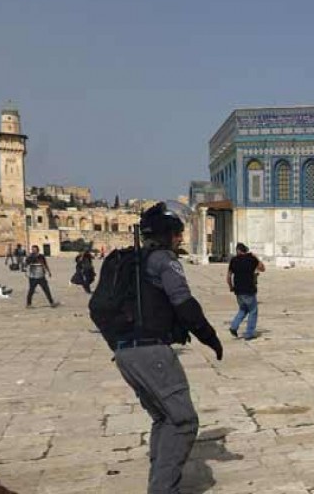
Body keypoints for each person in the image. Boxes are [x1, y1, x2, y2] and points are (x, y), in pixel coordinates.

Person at [111, 202, 223, 493]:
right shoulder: (163, 260)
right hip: (152, 352)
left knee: (163, 417)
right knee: (183, 421)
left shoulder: (132, 262)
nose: (180, 239)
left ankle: (158, 482)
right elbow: (183, 302)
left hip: (125, 352)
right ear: (167, 235)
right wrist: (209, 336)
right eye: (177, 234)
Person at [227, 242, 264, 340]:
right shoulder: (251, 259)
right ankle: (249, 333)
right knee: (253, 311)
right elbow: (262, 268)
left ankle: (234, 326)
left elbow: (228, 276)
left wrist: (231, 287)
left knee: (243, 309)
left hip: (238, 291)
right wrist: (256, 258)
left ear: (237, 250)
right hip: (249, 290)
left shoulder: (234, 260)